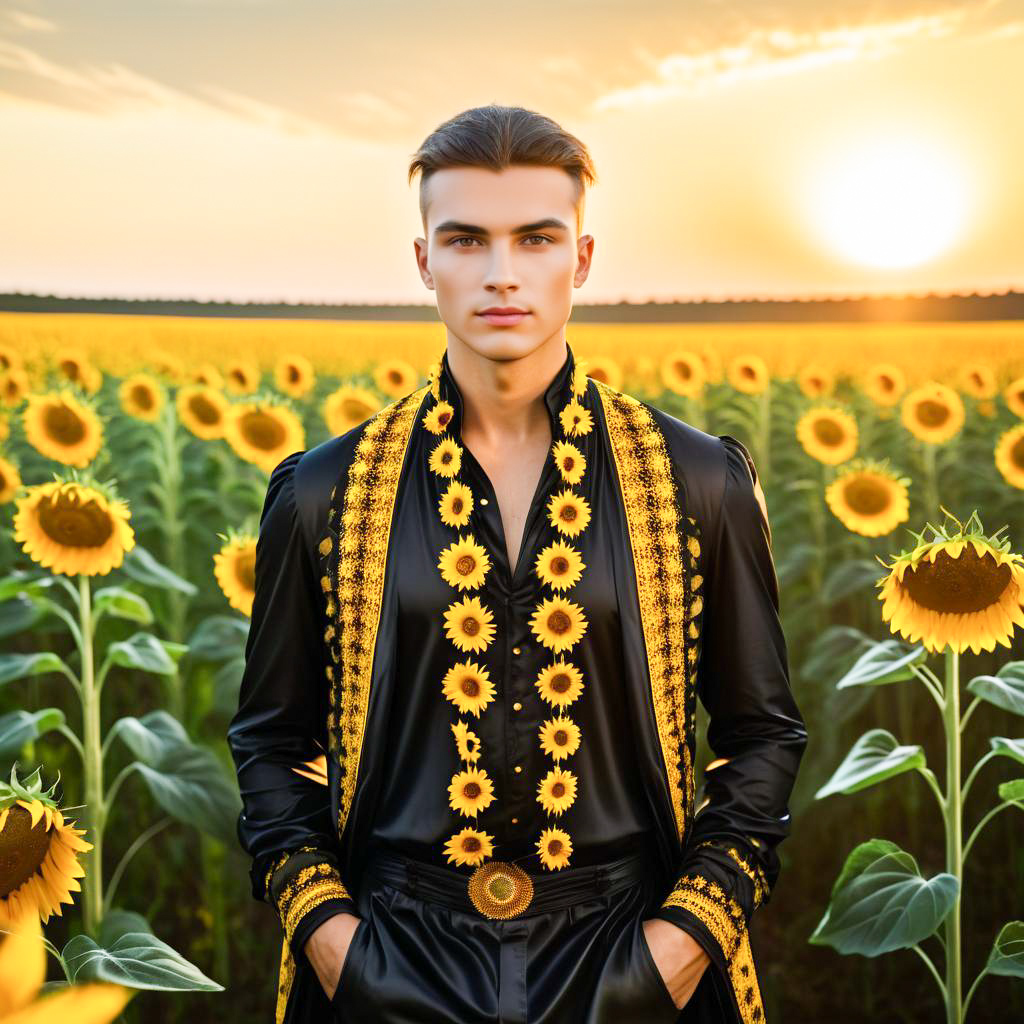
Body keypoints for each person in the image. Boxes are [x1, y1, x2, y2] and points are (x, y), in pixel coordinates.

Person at [227, 104, 807, 1024]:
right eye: (464, 240)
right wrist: (337, 946)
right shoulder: (323, 491)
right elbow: (269, 743)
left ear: (580, 258)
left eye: (535, 238)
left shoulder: (695, 477)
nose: (501, 274)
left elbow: (762, 735)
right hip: (392, 952)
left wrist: (682, 947)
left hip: (629, 946)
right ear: (424, 261)